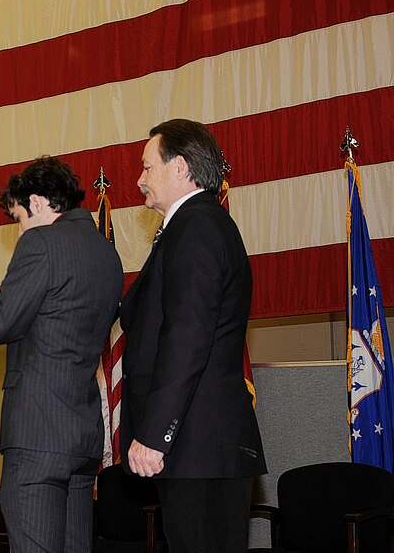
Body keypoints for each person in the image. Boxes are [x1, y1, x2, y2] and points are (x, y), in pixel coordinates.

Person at [0, 157, 123, 553]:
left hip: (37, 434)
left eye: (18, 217)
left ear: (38, 202)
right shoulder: (106, 253)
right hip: (81, 435)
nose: (20, 228)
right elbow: (57, 317)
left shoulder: (41, 241)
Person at [120, 119, 266, 552]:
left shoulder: (197, 226)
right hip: (200, 445)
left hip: (196, 444)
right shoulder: (196, 225)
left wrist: (154, 433)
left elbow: (187, 338)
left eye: (147, 167)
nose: (139, 179)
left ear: (180, 168)